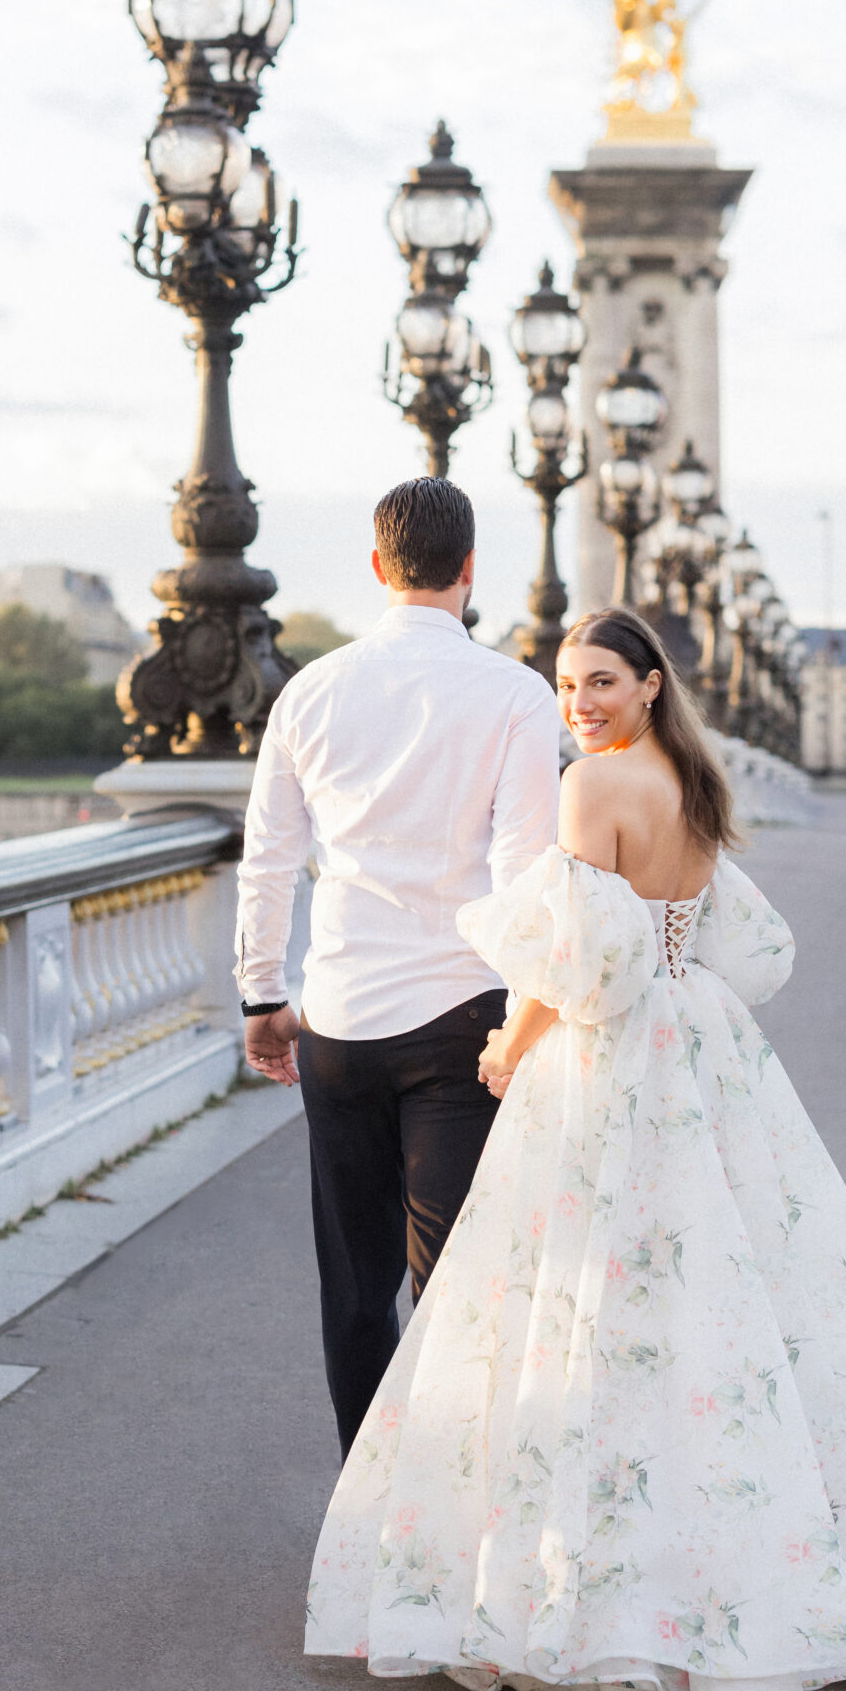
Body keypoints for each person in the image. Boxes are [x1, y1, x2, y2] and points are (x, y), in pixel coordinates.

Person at [305, 606, 846, 1691]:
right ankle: (741, 1566)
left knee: (590, 1298)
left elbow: (581, 958)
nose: (579, 703)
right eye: (564, 685)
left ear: (649, 683)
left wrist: (512, 1039)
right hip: (699, 1044)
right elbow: (723, 939)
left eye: (600, 680)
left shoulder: (592, 787)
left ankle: (596, 1581)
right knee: (725, 1296)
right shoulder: (691, 782)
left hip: (609, 1060)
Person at [235, 478, 559, 1457]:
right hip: (462, 1014)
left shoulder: (311, 692)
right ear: (469, 571)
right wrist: (536, 1011)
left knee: (356, 1285)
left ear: (378, 567)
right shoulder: (515, 694)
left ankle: (363, 1507)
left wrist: (262, 995)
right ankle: (452, 1510)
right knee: (458, 1283)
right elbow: (523, 869)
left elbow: (270, 859)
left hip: (337, 1018)